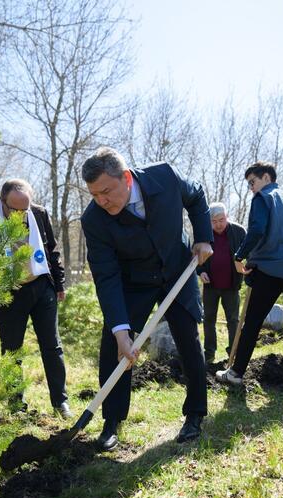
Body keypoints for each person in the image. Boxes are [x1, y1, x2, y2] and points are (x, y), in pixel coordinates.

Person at [81, 147, 213, 450]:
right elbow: (106, 276)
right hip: (134, 282)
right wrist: (120, 331)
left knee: (188, 340)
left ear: (126, 178)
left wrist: (204, 237)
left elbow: (196, 195)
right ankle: (112, 420)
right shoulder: (94, 220)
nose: (101, 201)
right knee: (114, 345)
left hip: (177, 270)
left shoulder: (165, 177)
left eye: (106, 192)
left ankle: (195, 413)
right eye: (94, 195)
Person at [0, 179, 72, 417]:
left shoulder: (39, 213)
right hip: (9, 292)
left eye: (24, 209)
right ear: (2, 201)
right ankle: (15, 406)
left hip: (41, 286)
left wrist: (59, 283)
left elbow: (52, 250)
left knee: (52, 346)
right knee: (12, 350)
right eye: (15, 209)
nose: (20, 215)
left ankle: (61, 403)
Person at [216, 161, 283, 385]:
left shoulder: (263, 197)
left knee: (252, 323)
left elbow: (257, 229)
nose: (251, 188)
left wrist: (239, 256)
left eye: (253, 182)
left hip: (268, 270)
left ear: (267, 177)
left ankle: (235, 373)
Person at [197, 203, 246, 363]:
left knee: (233, 320)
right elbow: (196, 256)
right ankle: (209, 353)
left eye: (221, 220)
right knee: (208, 319)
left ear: (227, 217)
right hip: (210, 286)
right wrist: (201, 271)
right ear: (209, 221)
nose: (218, 224)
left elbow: (249, 252)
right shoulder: (204, 233)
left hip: (231, 286)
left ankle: (233, 353)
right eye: (214, 221)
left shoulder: (239, 231)